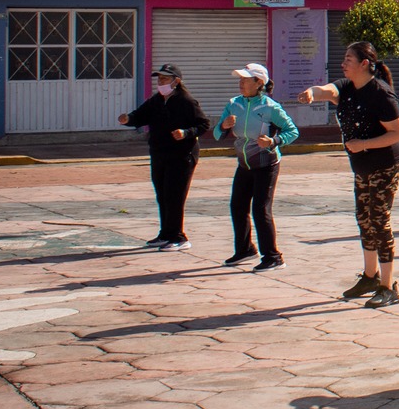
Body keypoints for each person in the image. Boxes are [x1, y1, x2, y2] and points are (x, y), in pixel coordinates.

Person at [301, 42, 399, 308]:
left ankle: (388, 286)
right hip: (362, 166)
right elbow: (329, 90)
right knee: (363, 218)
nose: (343, 63)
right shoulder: (348, 87)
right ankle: (370, 277)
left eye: (349, 59)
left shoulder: (381, 94)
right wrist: (312, 93)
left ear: (364, 64)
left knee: (378, 219)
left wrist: (364, 144)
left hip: (386, 164)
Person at [216, 62, 299, 270]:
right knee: (237, 206)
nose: (241, 83)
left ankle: (273, 257)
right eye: (240, 79)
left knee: (260, 209)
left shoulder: (271, 108)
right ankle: (245, 250)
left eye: (245, 79)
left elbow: (292, 131)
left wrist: (273, 142)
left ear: (258, 82)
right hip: (244, 164)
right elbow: (217, 133)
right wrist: (223, 126)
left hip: (266, 164)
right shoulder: (234, 104)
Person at [119, 64, 209, 251]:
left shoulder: (186, 101)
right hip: (160, 153)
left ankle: (179, 237)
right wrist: (128, 119)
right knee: (162, 195)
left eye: (165, 79)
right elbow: (140, 115)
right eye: (159, 79)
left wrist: (186, 133)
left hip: (182, 156)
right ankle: (165, 233)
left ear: (176, 81)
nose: (161, 82)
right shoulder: (157, 100)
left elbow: (203, 124)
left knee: (174, 196)